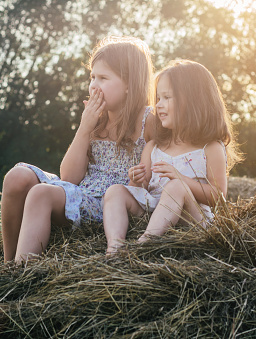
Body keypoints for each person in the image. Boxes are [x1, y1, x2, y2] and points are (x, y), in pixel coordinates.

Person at [1, 36, 155, 263]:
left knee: (40, 193)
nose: (94, 85)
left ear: (129, 84)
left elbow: (148, 177)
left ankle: (21, 272)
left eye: (103, 78)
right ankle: (5, 265)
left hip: (109, 204)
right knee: (16, 177)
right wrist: (85, 127)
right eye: (92, 77)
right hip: (83, 193)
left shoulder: (148, 121)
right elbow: (70, 177)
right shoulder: (95, 120)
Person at [103, 59, 242, 255]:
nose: (158, 105)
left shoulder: (210, 148)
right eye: (158, 98)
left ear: (195, 101)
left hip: (193, 221)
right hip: (154, 211)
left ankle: (144, 244)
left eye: (166, 97)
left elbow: (218, 197)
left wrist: (181, 179)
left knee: (176, 187)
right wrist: (137, 180)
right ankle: (114, 248)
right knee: (115, 191)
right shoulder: (153, 147)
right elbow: (141, 190)